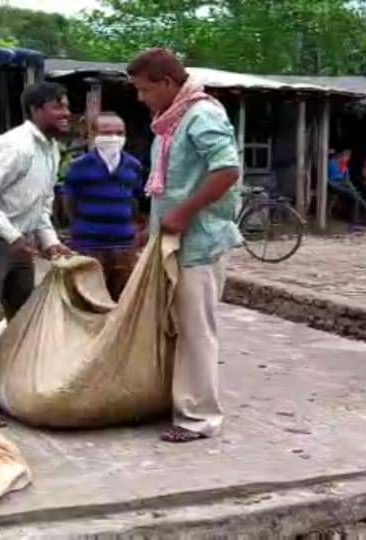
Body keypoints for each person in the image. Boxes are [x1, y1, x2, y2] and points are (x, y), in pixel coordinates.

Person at [127, 48, 242, 443]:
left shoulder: (202, 115)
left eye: (145, 90)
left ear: (167, 84)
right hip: (174, 238)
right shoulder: (170, 121)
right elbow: (170, 185)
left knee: (195, 329)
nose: (141, 99)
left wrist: (186, 212)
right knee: (174, 325)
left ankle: (199, 418)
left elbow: (227, 170)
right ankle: (178, 403)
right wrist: (156, 224)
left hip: (199, 241)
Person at [0, 82, 74, 426]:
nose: (66, 113)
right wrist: (11, 236)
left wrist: (49, 241)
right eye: (57, 107)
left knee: (23, 316)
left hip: (18, 241)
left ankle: (14, 384)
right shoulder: (15, 146)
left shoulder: (51, 150)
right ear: (36, 110)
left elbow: (41, 205)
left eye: (66, 106)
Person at [63, 112, 145, 301]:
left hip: (124, 246)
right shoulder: (79, 166)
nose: (113, 138)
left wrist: (135, 230)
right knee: (89, 300)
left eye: (119, 133)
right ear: (93, 134)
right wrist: (80, 227)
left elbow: (135, 200)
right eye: (107, 133)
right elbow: (69, 202)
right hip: (89, 245)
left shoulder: (133, 166)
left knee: (123, 300)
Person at [327, 149, 363, 229]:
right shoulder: (332, 162)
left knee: (355, 195)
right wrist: (345, 181)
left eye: (348, 156)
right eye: (345, 155)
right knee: (353, 196)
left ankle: (355, 220)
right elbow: (333, 177)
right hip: (333, 184)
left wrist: (351, 187)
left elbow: (348, 179)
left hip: (343, 185)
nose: (347, 157)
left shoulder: (345, 166)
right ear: (339, 155)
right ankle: (354, 222)